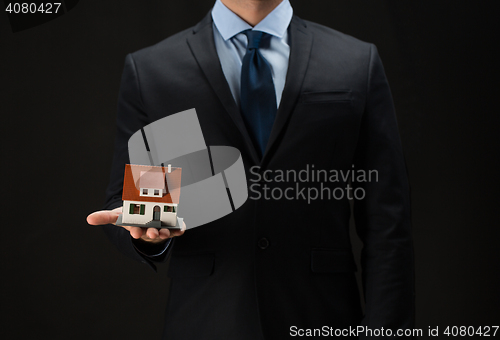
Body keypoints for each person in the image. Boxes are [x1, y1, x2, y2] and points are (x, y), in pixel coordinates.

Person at [87, 0, 415, 338]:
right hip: (206, 319)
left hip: (322, 316)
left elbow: (388, 222)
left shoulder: (355, 61)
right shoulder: (154, 69)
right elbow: (134, 200)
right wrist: (147, 229)